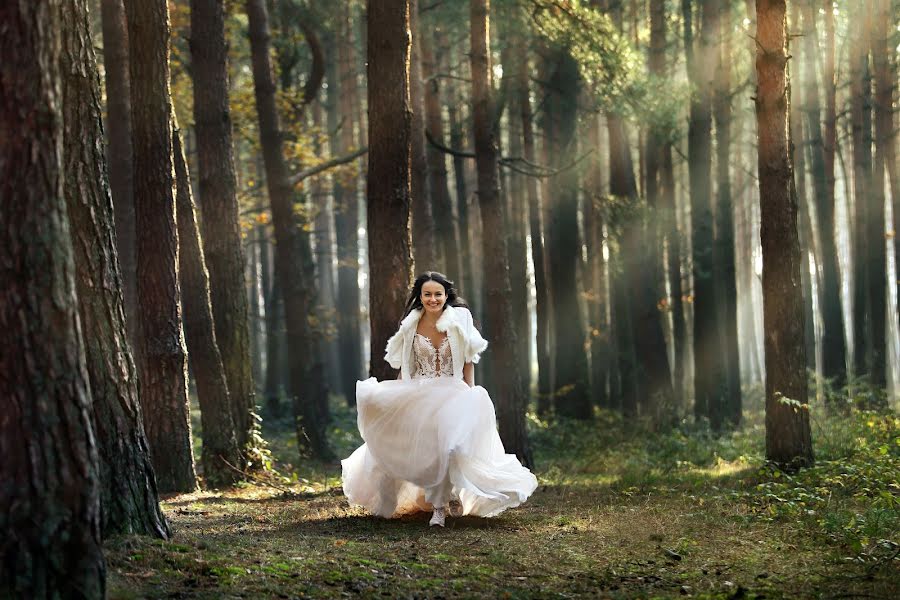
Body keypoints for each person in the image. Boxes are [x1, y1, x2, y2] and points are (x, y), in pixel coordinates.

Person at [341, 272, 537, 527]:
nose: (433, 299)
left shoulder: (460, 318)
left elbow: (468, 359)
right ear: (420, 297)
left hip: (453, 391)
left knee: (451, 446)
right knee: (427, 449)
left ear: (446, 296)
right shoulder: (410, 324)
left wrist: (470, 391)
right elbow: (405, 366)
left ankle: (450, 495)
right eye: (427, 294)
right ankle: (439, 507)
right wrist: (399, 398)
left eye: (438, 294)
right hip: (420, 391)